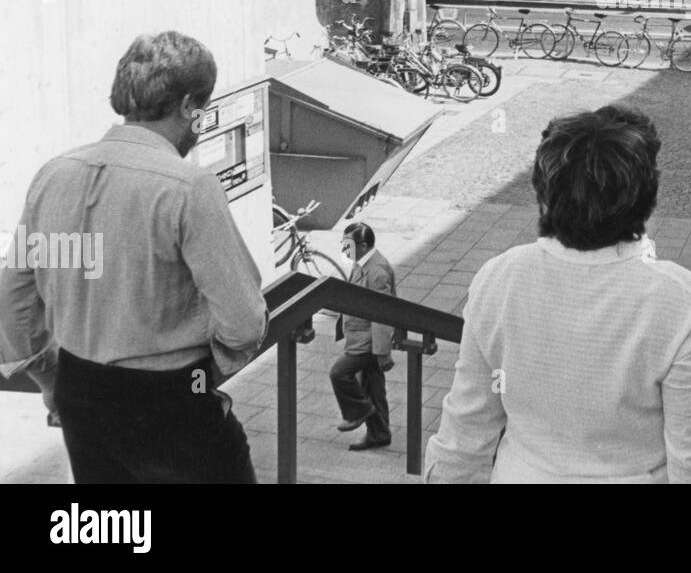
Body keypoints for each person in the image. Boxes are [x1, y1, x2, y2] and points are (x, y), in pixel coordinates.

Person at [0, 31, 268, 484]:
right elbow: (243, 322)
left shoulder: (54, 174)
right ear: (188, 106)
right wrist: (202, 379)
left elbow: (12, 299)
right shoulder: (189, 187)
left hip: (81, 391)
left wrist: (52, 382)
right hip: (171, 396)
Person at [424, 106, 691, 483]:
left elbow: (466, 430)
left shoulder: (499, 277)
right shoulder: (681, 300)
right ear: (646, 196)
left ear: (544, 193)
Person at [330, 220, 396, 451]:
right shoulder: (362, 263)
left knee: (339, 373)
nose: (344, 249)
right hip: (360, 337)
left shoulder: (376, 272)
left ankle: (357, 410)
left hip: (367, 343)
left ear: (364, 244)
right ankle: (379, 434)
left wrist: (381, 352)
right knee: (374, 388)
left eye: (348, 245)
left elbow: (382, 314)